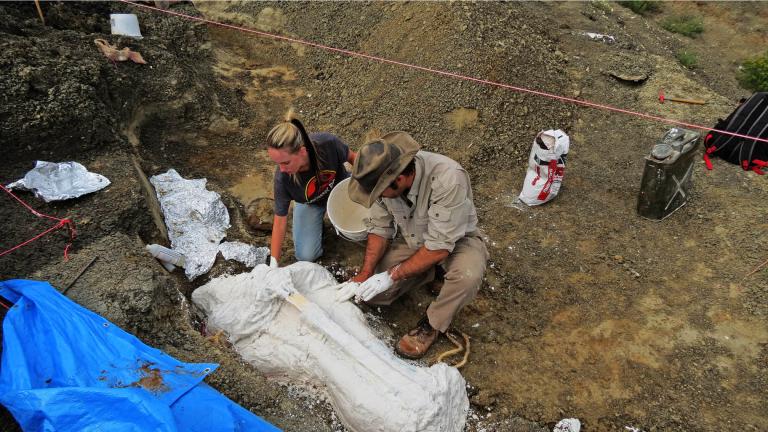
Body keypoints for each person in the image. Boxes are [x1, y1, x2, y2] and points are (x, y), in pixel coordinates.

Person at [337, 131, 488, 359]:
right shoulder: (384, 183)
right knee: (371, 294)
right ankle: (428, 273)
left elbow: (439, 247)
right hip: (414, 239)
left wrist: (391, 275)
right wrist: (366, 272)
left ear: (399, 178)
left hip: (457, 240)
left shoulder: (448, 178)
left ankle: (432, 324)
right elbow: (380, 228)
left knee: (467, 275)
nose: (379, 197)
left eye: (381, 193)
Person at [266, 110, 356, 264]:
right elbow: (280, 222)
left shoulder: (327, 144)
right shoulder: (283, 179)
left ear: (302, 151)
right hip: (310, 203)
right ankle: (317, 226)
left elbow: (354, 159)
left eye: (286, 162)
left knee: (364, 224)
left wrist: (367, 184)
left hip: (341, 189)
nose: (281, 169)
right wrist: (273, 264)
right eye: (278, 163)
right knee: (305, 256)